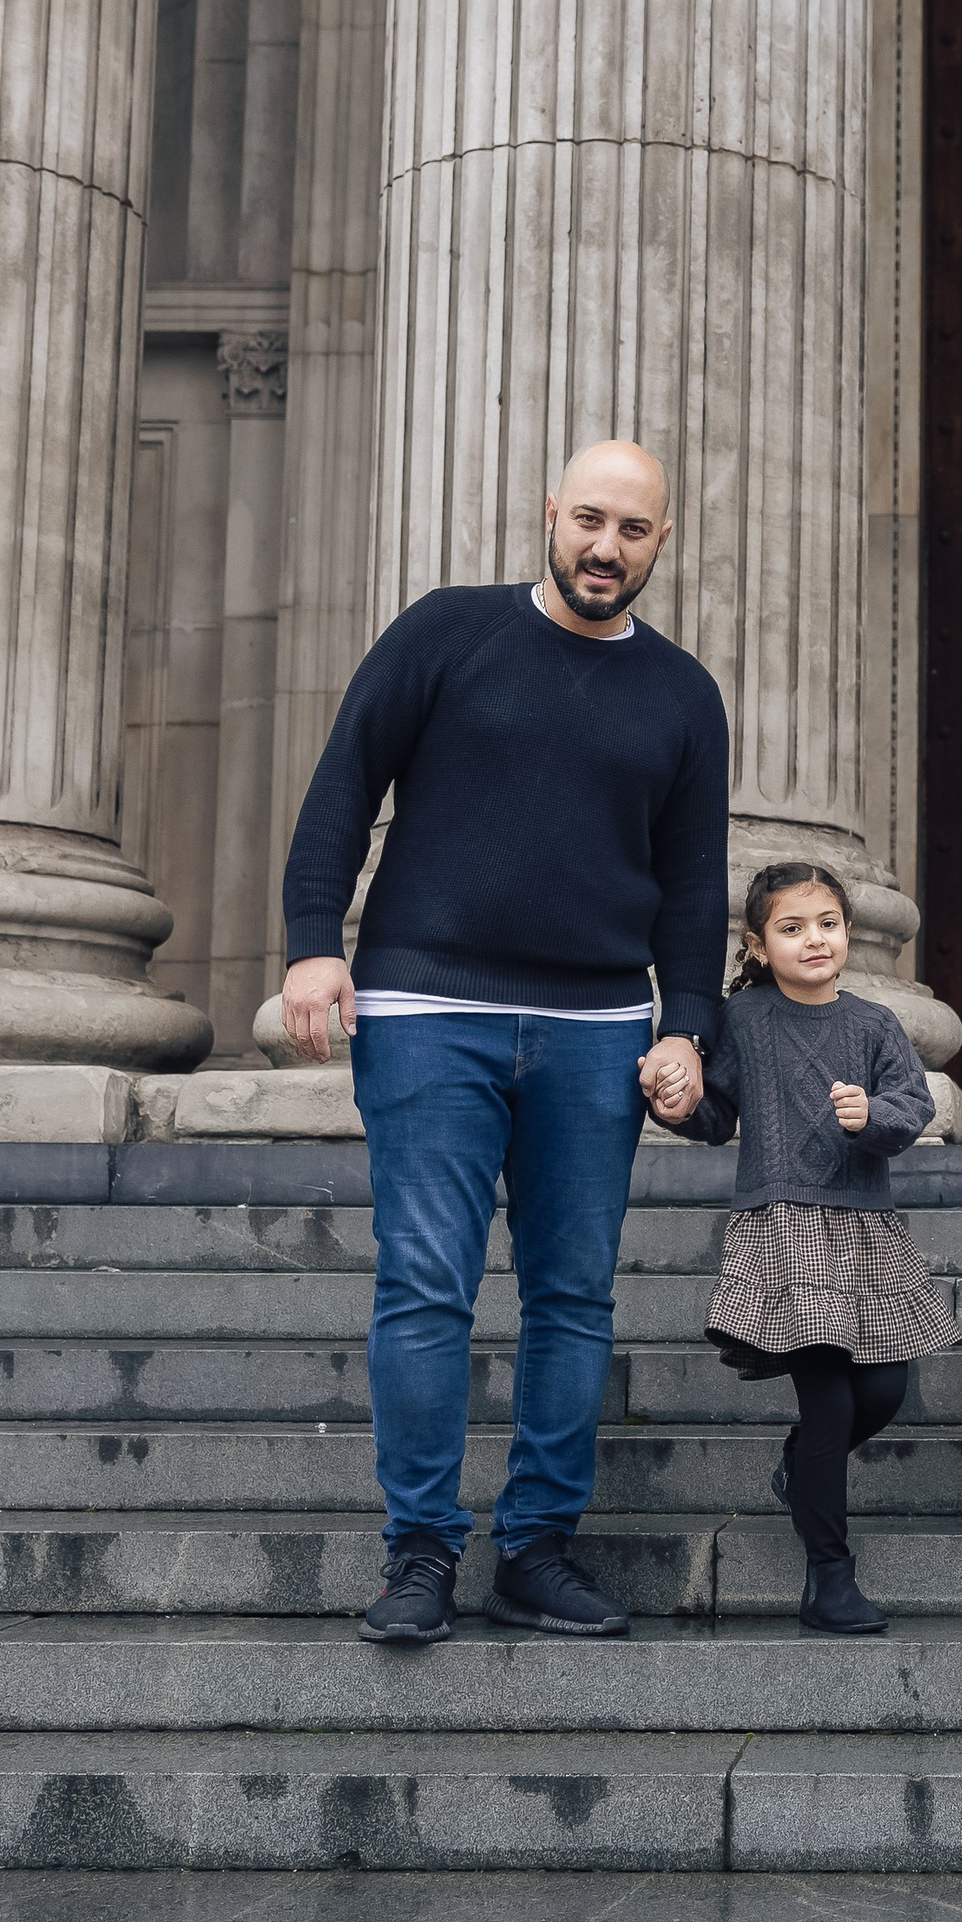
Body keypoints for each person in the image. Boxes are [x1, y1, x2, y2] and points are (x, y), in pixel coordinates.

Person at [279, 439, 728, 1650]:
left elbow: (693, 885)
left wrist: (687, 1022)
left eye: (632, 530)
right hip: (429, 1009)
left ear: (660, 542)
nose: (605, 548)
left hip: (596, 1031)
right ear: (549, 515)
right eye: (589, 520)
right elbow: (341, 787)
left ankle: (535, 1549)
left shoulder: (683, 694)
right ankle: (420, 1551)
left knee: (572, 1297)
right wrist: (315, 938)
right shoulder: (446, 632)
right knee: (425, 1285)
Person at [652, 862, 953, 1637]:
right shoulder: (743, 1020)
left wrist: (872, 1113)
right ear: (758, 942)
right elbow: (716, 1113)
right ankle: (829, 1576)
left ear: (848, 932)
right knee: (827, 1397)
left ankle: (798, 1469)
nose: (814, 939)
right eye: (792, 927)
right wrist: (679, 1104)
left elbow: (914, 1106)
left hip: (864, 1228)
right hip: (786, 1226)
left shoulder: (875, 1023)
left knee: (881, 1392)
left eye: (827, 923)